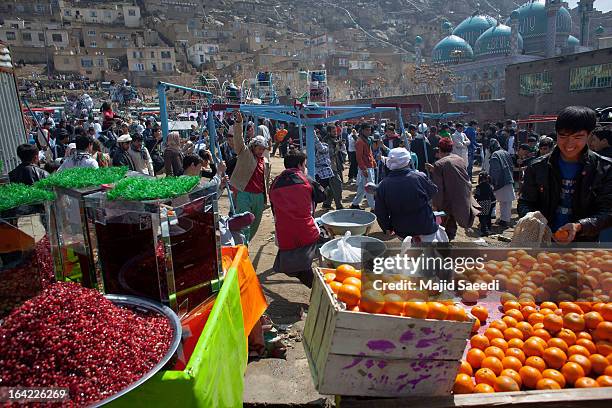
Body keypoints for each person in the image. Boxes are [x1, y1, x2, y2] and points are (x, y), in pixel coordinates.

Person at [518, 106, 612, 242]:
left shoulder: (605, 168)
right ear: (556, 134)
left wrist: (579, 226)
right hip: (543, 240)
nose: (569, 143)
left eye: (578, 137)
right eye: (563, 136)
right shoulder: (537, 167)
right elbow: (525, 202)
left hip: (583, 244)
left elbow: (608, 211)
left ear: (590, 135)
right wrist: (535, 220)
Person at [270, 150, 326, 288]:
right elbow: (322, 195)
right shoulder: (306, 179)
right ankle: (320, 288)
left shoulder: (275, 183)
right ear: (300, 165)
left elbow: (274, 209)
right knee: (324, 251)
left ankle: (314, 284)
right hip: (307, 232)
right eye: (305, 164)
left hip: (284, 234)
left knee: (292, 266)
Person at [375, 148, 439, 239]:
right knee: (429, 250)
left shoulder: (383, 185)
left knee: (409, 251)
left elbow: (380, 210)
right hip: (425, 225)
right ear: (408, 162)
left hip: (401, 230)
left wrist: (386, 227)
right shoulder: (419, 177)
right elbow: (433, 191)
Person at [427, 138, 478, 241]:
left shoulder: (439, 164)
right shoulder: (459, 159)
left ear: (439, 150)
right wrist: (434, 170)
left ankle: (445, 242)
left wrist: (436, 204)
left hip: (447, 200)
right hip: (462, 195)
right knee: (452, 219)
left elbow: (438, 188)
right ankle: (450, 237)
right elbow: (452, 174)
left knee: (442, 223)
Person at [230, 112, 268, 243]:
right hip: (244, 193)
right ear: (253, 146)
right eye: (260, 148)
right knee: (244, 224)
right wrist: (239, 123)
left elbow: (265, 181)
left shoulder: (265, 161)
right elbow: (238, 139)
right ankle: (242, 247)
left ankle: (244, 243)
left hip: (259, 196)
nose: (262, 150)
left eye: (263, 148)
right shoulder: (244, 152)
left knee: (255, 224)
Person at [488, 138, 515, 228]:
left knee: (496, 201)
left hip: (501, 181)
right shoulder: (505, 152)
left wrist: (493, 182)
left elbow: (496, 170)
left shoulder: (495, 155)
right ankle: (505, 219)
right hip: (509, 178)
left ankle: (501, 220)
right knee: (507, 202)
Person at [314, 129, 343, 210]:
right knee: (338, 186)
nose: (336, 133)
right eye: (334, 132)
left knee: (330, 187)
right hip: (328, 169)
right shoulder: (326, 144)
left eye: (336, 132)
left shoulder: (334, 141)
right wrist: (337, 147)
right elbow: (328, 152)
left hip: (331, 168)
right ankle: (339, 205)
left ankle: (327, 204)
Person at [351, 123, 376, 210]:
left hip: (369, 165)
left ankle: (355, 204)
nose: (369, 131)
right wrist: (363, 168)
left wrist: (373, 161)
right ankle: (373, 207)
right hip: (366, 167)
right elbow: (359, 157)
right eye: (367, 130)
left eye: (369, 130)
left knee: (362, 186)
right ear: (362, 130)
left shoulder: (367, 139)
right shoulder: (360, 141)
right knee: (370, 187)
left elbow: (369, 152)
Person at [474, 172, 496, 236]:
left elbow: (477, 196)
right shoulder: (489, 186)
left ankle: (484, 230)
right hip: (488, 203)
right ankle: (488, 229)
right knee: (487, 216)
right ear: (487, 178)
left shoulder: (478, 187)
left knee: (482, 217)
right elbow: (491, 195)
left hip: (481, 203)